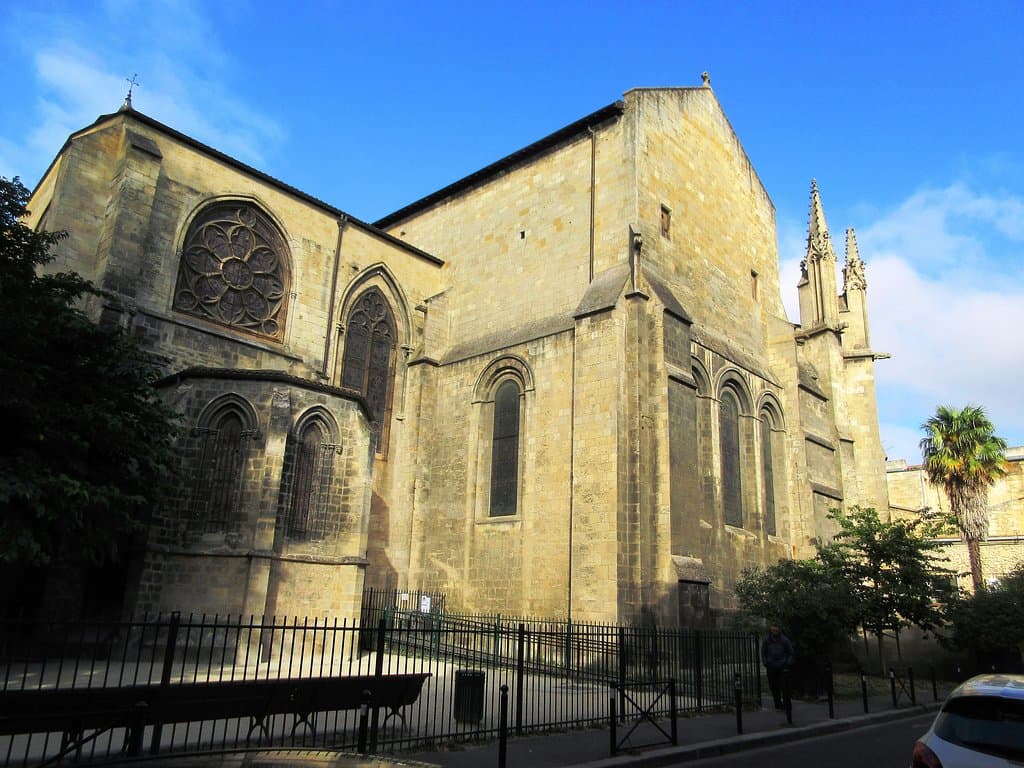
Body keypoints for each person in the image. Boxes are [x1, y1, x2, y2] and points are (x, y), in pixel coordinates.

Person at [761, 623, 794, 710]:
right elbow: (763, 652)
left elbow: (791, 653)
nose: (774, 632)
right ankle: (778, 704)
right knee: (773, 686)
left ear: (779, 630)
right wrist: (766, 662)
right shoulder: (767, 640)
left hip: (782, 666)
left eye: (775, 630)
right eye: (772, 630)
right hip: (771, 666)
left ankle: (787, 704)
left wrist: (787, 663)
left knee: (784, 686)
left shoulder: (784, 640)